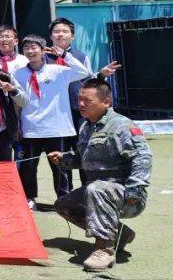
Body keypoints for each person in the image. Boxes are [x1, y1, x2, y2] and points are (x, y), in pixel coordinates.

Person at [50, 78, 152, 272]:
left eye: (87, 101)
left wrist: (135, 189)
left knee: (97, 189)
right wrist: (65, 159)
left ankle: (104, 249)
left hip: (126, 194)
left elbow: (142, 157)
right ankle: (120, 234)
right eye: (79, 100)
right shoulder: (86, 126)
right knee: (64, 205)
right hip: (97, 192)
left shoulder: (121, 125)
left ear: (106, 102)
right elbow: (83, 158)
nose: (81, 104)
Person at [15, 34, 112, 209]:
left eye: (34, 47)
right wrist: (18, 125)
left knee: (60, 167)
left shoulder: (58, 71)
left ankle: (64, 198)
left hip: (56, 128)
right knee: (29, 167)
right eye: (26, 48)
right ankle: (30, 198)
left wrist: (65, 55)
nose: (30, 51)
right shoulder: (18, 74)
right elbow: (17, 101)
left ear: (43, 50)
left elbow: (83, 72)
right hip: (31, 128)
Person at [46, 17, 96, 135]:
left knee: (80, 141)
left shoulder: (81, 56)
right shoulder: (44, 57)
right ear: (51, 36)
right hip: (52, 109)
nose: (60, 34)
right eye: (56, 31)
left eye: (65, 31)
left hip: (77, 108)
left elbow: (89, 81)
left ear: (72, 36)